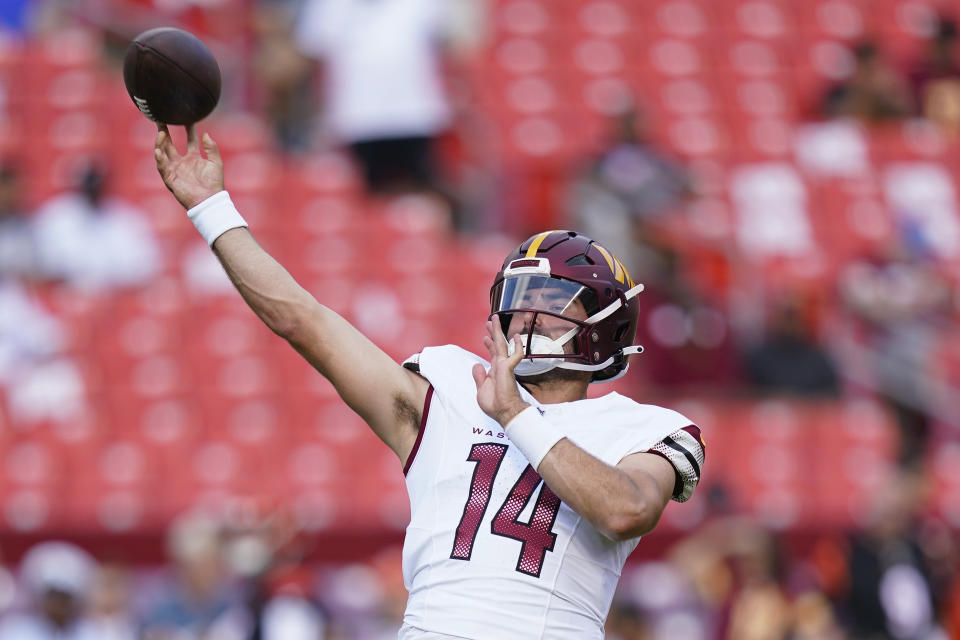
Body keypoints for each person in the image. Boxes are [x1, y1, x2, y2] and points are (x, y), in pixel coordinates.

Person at [153, 123, 706, 639]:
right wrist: (211, 209)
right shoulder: (449, 387)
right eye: (520, 304)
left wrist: (516, 415)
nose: (529, 320)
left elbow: (624, 509)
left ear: (606, 327)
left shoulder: (643, 427)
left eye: (553, 305)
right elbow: (302, 319)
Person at [820, 40, 912, 123]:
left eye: (875, 70)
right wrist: (863, 94)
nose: (872, 77)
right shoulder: (838, 94)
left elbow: (903, 116)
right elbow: (840, 123)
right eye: (868, 70)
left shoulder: (890, 92)